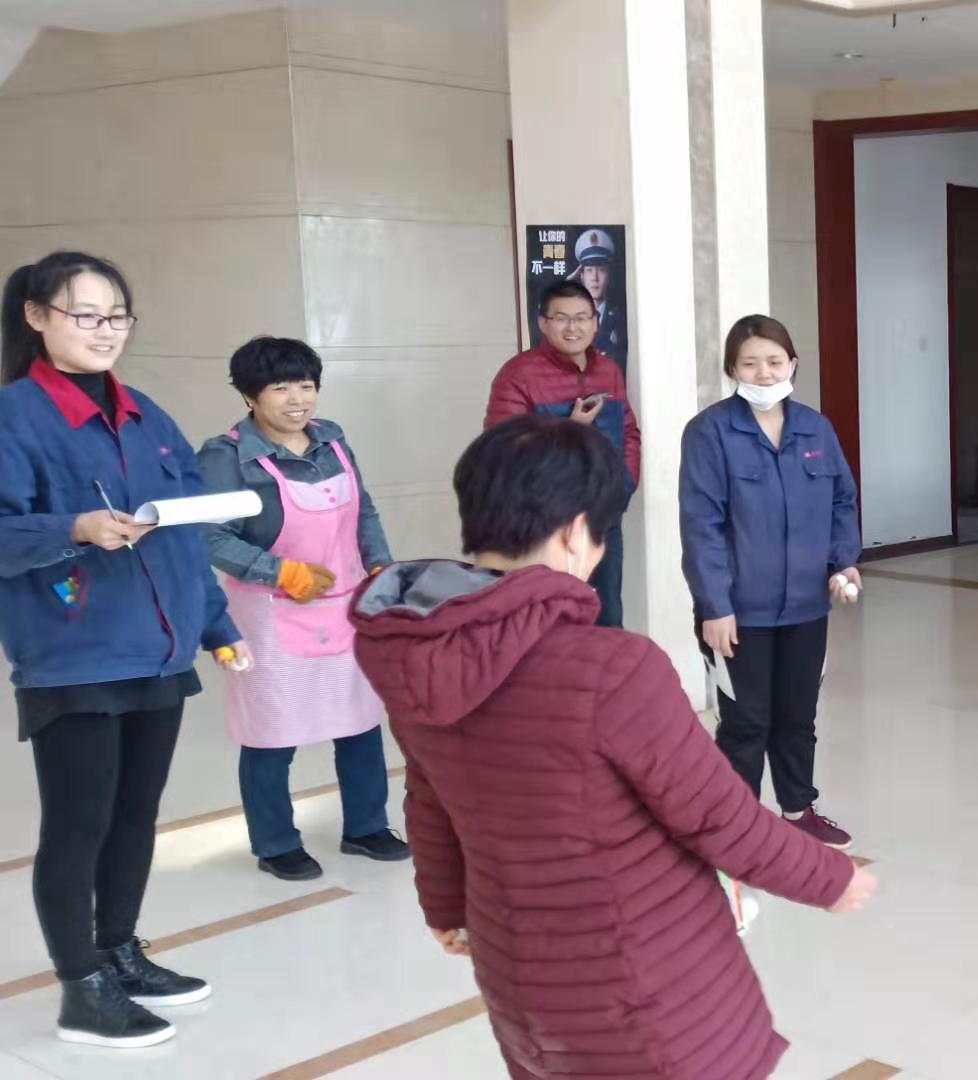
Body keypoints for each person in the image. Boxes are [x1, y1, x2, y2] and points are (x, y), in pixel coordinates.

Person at [351, 415, 877, 1080]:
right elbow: (716, 816)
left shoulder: (415, 653)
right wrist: (830, 878)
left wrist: (444, 905)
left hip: (515, 973)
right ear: (576, 533)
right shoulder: (613, 667)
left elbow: (429, 801)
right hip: (648, 981)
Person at [0, 252, 248, 1048]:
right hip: (74, 653)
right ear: (36, 316)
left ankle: (118, 952)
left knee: (136, 818)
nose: (105, 331)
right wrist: (72, 528)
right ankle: (82, 987)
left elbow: (184, 533)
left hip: (158, 650)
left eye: (116, 317)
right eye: (85, 315)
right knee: (80, 824)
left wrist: (217, 627)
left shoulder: (148, 416)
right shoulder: (14, 417)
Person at [197, 337, 409, 881]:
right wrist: (281, 572)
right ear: (250, 396)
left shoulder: (333, 440)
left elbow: (364, 511)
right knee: (272, 730)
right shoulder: (225, 456)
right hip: (270, 613)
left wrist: (381, 567)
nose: (298, 400)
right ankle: (275, 843)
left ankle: (367, 826)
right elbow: (209, 536)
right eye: (280, 388)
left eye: (306, 386)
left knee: (360, 720)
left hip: (345, 604)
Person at [679, 316, 862, 850]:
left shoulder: (815, 429)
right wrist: (715, 605)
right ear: (732, 369)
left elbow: (841, 501)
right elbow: (702, 525)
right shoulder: (710, 432)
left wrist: (843, 563)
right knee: (745, 722)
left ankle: (798, 811)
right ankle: (732, 828)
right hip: (738, 612)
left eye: (774, 361)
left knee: (798, 715)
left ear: (793, 365)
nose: (764, 373)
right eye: (750, 363)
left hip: (806, 606)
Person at [485, 279, 641, 628]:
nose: (573, 328)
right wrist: (569, 430)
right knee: (552, 624)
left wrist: (622, 489)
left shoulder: (608, 371)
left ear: (595, 322)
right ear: (543, 323)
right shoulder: (519, 374)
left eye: (582, 317)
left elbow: (629, 434)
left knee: (607, 619)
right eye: (561, 318)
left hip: (601, 521)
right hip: (543, 527)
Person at [571, 228, 628, 365]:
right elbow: (541, 321)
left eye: (601, 270)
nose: (595, 278)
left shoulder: (622, 318)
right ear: (581, 276)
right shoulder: (571, 316)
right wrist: (563, 286)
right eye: (589, 271)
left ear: (608, 275)